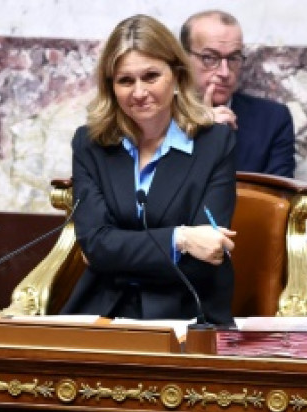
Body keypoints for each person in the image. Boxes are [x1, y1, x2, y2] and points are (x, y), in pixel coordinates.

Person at [62, 14, 237, 324]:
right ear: (111, 87)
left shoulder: (214, 144)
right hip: (102, 310)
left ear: (177, 75)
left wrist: (119, 250)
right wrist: (180, 239)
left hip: (186, 311)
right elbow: (96, 246)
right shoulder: (90, 144)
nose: (139, 92)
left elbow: (207, 255)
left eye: (151, 76)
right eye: (125, 81)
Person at [180, 10, 295, 178]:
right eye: (210, 58)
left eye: (233, 58)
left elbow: (279, 198)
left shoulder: (272, 120)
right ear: (183, 59)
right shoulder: (161, 117)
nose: (224, 73)